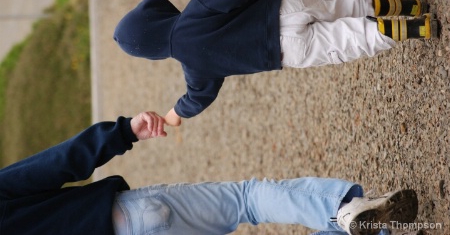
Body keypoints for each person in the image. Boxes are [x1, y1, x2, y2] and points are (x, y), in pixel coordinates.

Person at [0, 111, 423, 235]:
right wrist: (124, 131)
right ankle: (343, 212)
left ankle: (361, 226)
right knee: (248, 200)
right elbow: (54, 165)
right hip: (130, 217)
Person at [113, 0, 439, 126]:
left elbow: (198, 98)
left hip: (285, 50)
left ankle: (413, 28)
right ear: (158, 15)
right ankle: (403, 6)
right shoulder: (196, 9)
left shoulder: (195, 67)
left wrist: (173, 115)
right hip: (284, 8)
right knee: (342, 3)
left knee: (346, 41)